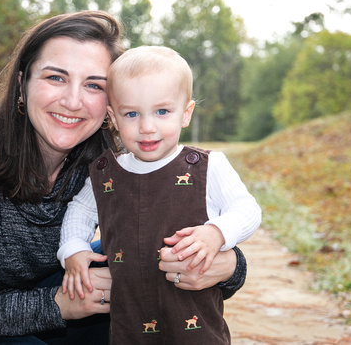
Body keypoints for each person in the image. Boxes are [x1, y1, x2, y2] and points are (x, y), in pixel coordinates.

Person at [0, 11, 247, 345]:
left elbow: (153, 235)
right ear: (23, 84)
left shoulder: (106, 162)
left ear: (110, 105)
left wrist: (227, 266)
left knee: (136, 314)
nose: (73, 101)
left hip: (29, 301)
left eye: (93, 85)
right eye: (56, 78)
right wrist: (56, 307)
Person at [57, 46, 261, 344]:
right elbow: (79, 211)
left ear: (186, 113)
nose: (147, 127)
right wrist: (72, 250)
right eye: (132, 114)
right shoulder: (105, 172)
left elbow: (247, 209)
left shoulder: (206, 166)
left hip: (194, 322)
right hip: (129, 323)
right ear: (113, 117)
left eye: (162, 111)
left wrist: (216, 233)